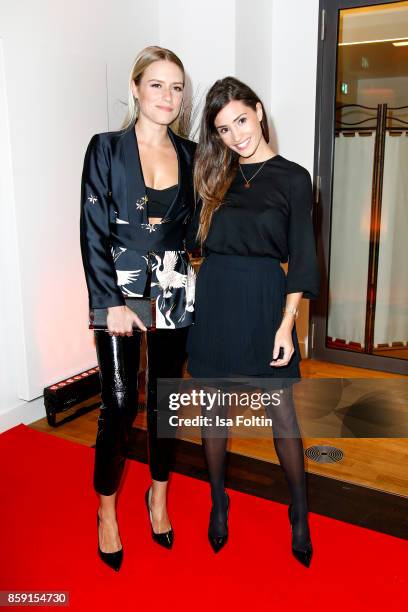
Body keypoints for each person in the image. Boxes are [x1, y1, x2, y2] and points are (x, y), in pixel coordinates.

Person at [186, 77, 319, 566]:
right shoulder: (213, 177)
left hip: (266, 300)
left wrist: (288, 324)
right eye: (223, 129)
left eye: (241, 120)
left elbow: (302, 258)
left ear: (259, 112)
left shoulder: (293, 177)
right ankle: (218, 502)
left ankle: (300, 511)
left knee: (281, 411)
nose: (236, 135)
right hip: (215, 299)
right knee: (215, 410)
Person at [80, 46, 197, 571]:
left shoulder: (193, 154)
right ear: (135, 87)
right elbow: (92, 232)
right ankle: (106, 512)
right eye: (157, 85)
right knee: (122, 403)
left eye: (176, 87)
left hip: (174, 277)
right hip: (119, 277)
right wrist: (110, 303)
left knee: (165, 401)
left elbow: (199, 228)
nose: (168, 97)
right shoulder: (104, 149)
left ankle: (159, 497)